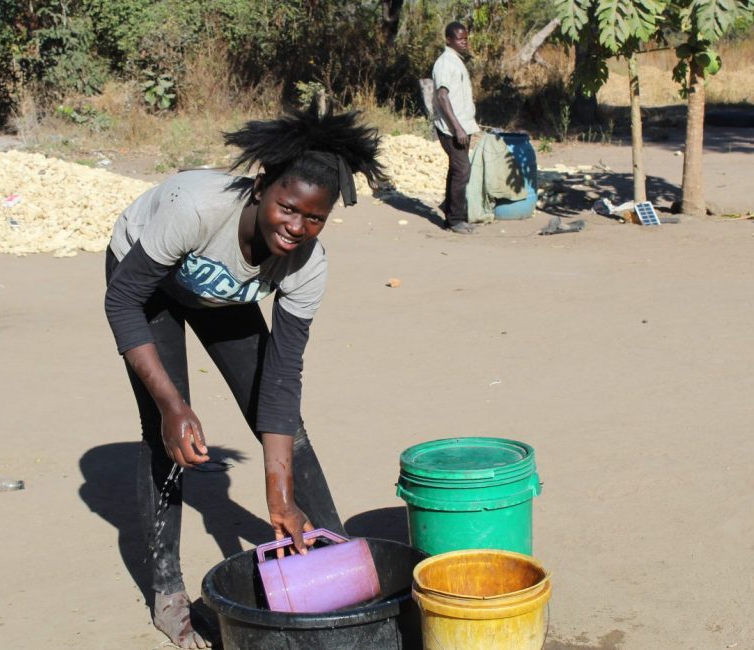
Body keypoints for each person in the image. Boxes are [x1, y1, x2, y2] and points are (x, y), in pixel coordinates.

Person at [104, 106, 387, 649]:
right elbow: (122, 301)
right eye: (287, 208)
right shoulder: (196, 209)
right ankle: (168, 595)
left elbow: (281, 379)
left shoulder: (308, 264)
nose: (296, 228)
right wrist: (170, 405)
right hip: (148, 284)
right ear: (261, 189)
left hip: (222, 294)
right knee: (169, 434)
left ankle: (338, 562)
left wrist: (279, 497)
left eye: (314, 218)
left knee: (285, 425)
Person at [432, 21, 481, 235]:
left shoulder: (456, 61)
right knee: (462, 170)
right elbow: (442, 97)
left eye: (466, 38)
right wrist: (458, 128)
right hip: (452, 129)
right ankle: (455, 219)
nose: (464, 42)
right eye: (460, 39)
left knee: (456, 169)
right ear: (449, 40)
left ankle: (450, 211)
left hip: (462, 126)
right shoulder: (445, 63)